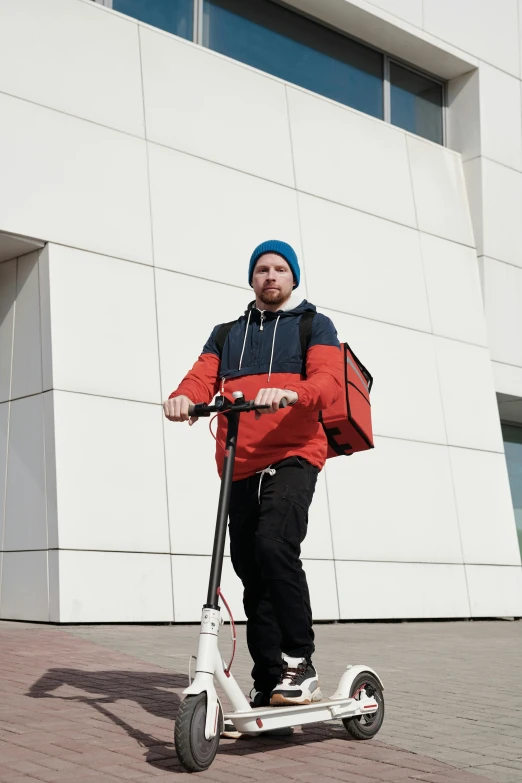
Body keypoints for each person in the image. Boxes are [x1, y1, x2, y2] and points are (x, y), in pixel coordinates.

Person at [163, 240, 342, 708]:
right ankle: (268, 678)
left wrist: (293, 394)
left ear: (293, 278)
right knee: (248, 566)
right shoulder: (227, 333)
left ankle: (299, 662)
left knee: (274, 544)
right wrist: (183, 398)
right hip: (239, 459)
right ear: (252, 279)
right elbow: (201, 378)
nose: (270, 276)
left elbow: (327, 379)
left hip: (295, 452)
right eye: (262, 269)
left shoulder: (313, 324)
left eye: (280, 269)